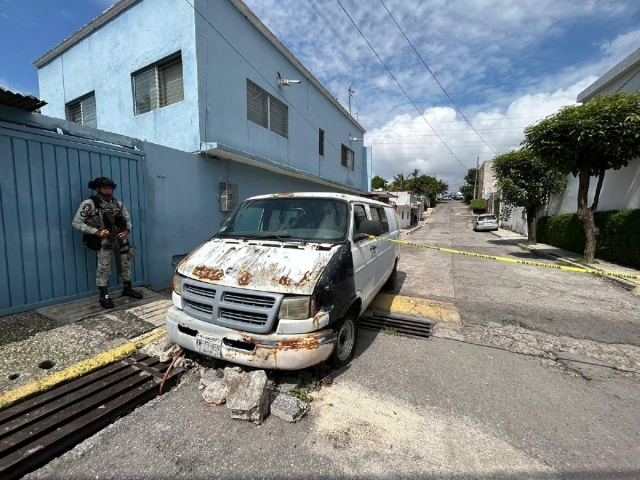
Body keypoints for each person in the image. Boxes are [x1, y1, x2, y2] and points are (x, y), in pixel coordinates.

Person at [72, 177, 143, 308]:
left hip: (121, 240)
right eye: (104, 187)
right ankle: (103, 295)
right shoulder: (90, 204)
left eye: (109, 188)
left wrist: (127, 231)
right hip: (104, 241)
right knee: (103, 268)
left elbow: (128, 220)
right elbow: (76, 223)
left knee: (126, 264)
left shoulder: (118, 204)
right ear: (97, 188)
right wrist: (96, 232)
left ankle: (127, 288)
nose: (107, 190)